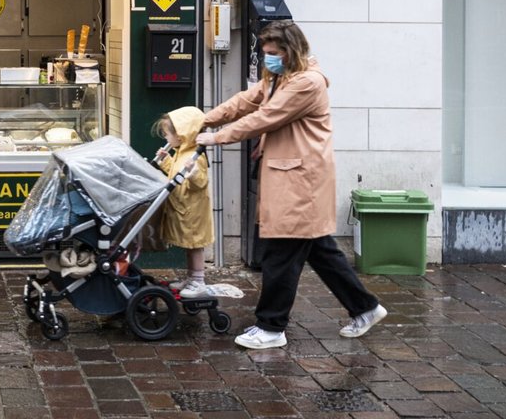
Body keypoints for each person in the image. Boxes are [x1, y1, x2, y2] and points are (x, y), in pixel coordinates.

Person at [195, 19, 386, 350]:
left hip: (301, 181)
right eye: (264, 52)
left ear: (290, 51)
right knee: (321, 252)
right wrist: (203, 119)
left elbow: (264, 118)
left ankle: (271, 327)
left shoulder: (307, 84)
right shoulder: (279, 76)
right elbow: (246, 101)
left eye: (272, 53)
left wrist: (215, 138)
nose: (267, 58)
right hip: (290, 175)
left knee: (280, 254)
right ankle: (366, 308)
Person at [152, 106, 216, 298]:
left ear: (180, 136)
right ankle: (191, 278)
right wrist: (166, 161)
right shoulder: (182, 153)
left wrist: (194, 173)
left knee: (195, 245)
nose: (166, 139)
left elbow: (200, 182)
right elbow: (176, 173)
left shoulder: (196, 157)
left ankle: (198, 281)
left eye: (167, 134)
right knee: (189, 246)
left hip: (193, 211)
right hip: (184, 208)